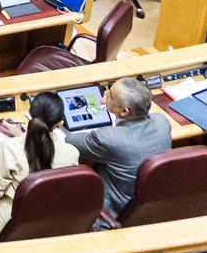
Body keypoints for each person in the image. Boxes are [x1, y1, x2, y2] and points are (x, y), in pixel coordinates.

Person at [0, 90, 80, 238]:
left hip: (10, 224)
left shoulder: (9, 147)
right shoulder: (72, 153)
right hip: (47, 220)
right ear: (60, 123)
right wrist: (24, 136)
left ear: (30, 113)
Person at [65, 76, 170, 214]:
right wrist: (111, 105)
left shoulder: (108, 138)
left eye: (111, 95)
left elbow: (69, 140)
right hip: (151, 204)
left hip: (115, 209)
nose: (105, 94)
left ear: (125, 111)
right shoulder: (162, 122)